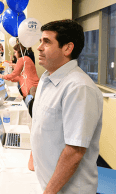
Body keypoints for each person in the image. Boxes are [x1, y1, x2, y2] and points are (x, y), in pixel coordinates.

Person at [28, 19, 103, 193]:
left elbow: (74, 151)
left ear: (67, 48)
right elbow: (39, 124)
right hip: (46, 181)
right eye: (41, 41)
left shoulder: (78, 88)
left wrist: (49, 192)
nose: (39, 47)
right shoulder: (46, 79)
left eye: (47, 42)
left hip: (65, 190)